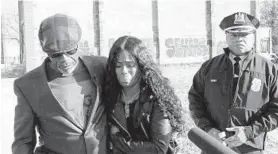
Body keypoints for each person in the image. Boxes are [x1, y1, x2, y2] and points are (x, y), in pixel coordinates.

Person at [12, 14, 107, 154]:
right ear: (45, 51)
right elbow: (23, 141)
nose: (65, 60)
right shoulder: (27, 85)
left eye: (70, 51)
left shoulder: (102, 67)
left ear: (78, 44)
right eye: (55, 55)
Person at [188, 12, 278, 154]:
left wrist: (248, 132)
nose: (239, 39)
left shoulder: (270, 70)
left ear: (253, 36)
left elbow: (276, 110)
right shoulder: (209, 67)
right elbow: (195, 101)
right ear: (226, 36)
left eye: (244, 34)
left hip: (249, 146)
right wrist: (208, 129)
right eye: (234, 34)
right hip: (213, 144)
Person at [104, 36, 185, 154]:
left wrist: (118, 142)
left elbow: (158, 149)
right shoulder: (110, 97)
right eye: (118, 65)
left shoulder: (157, 98)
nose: (124, 70)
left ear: (141, 66)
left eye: (130, 64)